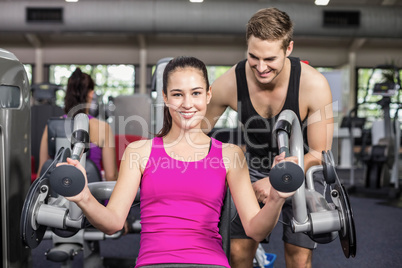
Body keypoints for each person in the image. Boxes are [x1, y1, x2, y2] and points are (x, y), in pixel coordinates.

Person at [62, 56, 297, 268]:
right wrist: (83, 196)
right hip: (154, 263)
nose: (187, 104)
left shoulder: (230, 154)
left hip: (209, 263)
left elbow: (255, 230)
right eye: (177, 94)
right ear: (165, 97)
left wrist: (276, 198)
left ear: (208, 95)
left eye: (195, 93)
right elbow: (113, 222)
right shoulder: (139, 152)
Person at [202, 8, 334, 268]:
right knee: (238, 251)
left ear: (288, 48)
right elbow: (195, 132)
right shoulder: (230, 82)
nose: (261, 68)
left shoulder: (315, 85)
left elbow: (320, 153)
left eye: (270, 59)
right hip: (253, 168)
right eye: (253, 57)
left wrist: (276, 179)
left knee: (299, 257)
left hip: (303, 168)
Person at [37, 68, 118, 182]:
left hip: (58, 194)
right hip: (92, 196)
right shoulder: (103, 128)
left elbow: (42, 172)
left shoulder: (52, 126)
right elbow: (111, 176)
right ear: (91, 94)